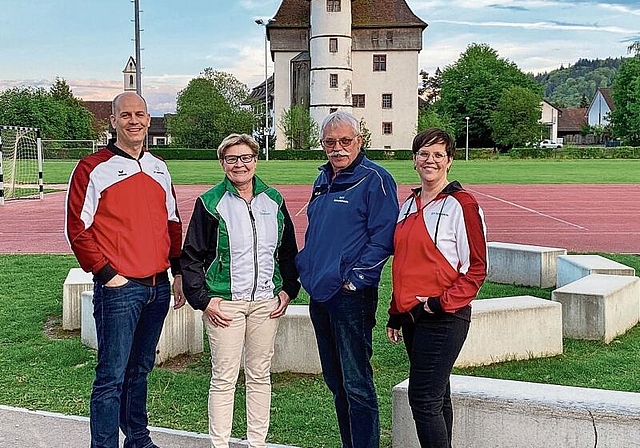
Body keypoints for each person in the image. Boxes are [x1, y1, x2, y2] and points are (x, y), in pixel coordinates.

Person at [65, 91, 185, 448]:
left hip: (157, 287)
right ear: (113, 121)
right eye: (126, 115)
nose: (134, 120)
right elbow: (78, 228)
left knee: (140, 371)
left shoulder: (159, 167)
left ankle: (138, 439)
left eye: (140, 114)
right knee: (111, 376)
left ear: (149, 120)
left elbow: (173, 222)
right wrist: (107, 275)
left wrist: (176, 272)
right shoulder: (92, 168)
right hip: (120, 288)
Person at [180, 133, 300, 448]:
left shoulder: (273, 199)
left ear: (255, 160)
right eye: (232, 158)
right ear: (222, 163)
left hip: (265, 304)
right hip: (226, 306)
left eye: (245, 157)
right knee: (224, 378)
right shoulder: (210, 202)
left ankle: (256, 442)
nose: (240, 164)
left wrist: (288, 289)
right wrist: (204, 301)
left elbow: (288, 251)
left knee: (259, 376)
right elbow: (191, 257)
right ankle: (220, 443)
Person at [296, 111, 399, 448]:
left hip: (350, 297)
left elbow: (383, 237)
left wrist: (354, 280)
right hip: (321, 295)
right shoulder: (322, 180)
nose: (337, 148)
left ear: (359, 141)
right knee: (336, 381)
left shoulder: (376, 179)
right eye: (330, 142)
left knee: (356, 383)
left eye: (345, 141)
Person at [386, 128, 487, 448]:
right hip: (413, 315)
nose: (430, 160)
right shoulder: (409, 202)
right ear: (414, 159)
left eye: (438, 155)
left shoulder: (463, 204)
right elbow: (404, 262)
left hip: (443, 316)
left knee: (423, 398)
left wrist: (440, 304)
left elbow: (476, 267)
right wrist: (395, 311)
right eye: (423, 154)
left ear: (450, 161)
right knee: (437, 396)